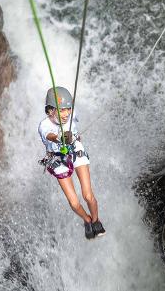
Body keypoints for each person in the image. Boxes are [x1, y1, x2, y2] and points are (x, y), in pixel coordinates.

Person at [38, 86, 105, 239]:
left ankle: (96, 220)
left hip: (76, 151)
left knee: (88, 196)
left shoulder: (72, 115)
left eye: (68, 109)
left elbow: (73, 122)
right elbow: (49, 135)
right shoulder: (44, 125)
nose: (66, 114)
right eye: (61, 110)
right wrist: (59, 138)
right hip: (57, 158)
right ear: (50, 110)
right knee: (74, 203)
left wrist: (73, 137)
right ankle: (87, 220)